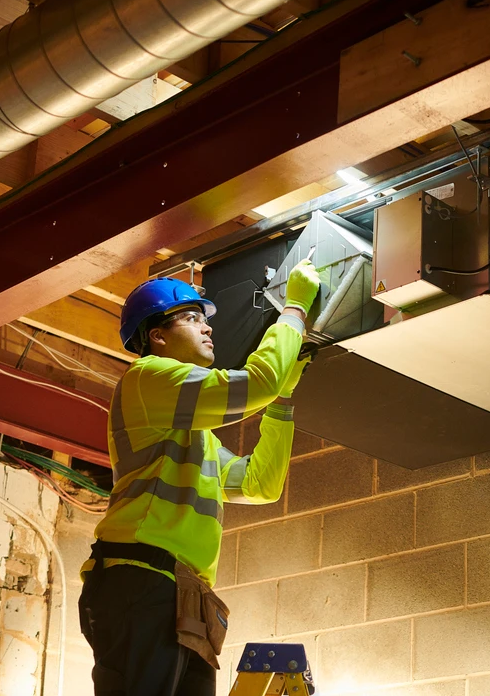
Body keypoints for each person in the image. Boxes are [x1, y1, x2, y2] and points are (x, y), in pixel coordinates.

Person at [77, 260, 322, 696]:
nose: (208, 327)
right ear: (157, 335)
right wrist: (295, 310)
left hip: (180, 593)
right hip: (140, 578)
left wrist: (282, 400)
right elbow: (256, 383)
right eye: (192, 318)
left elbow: (258, 485)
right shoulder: (146, 378)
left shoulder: (196, 440)